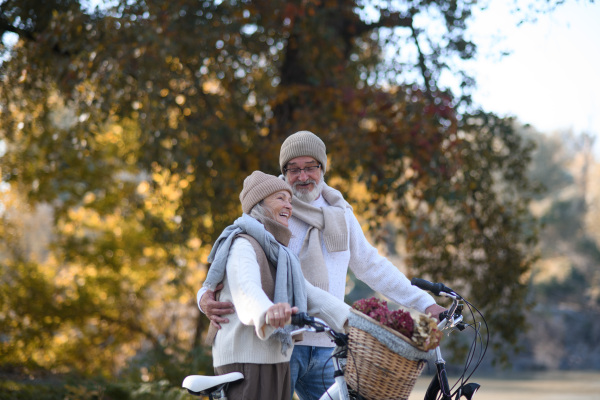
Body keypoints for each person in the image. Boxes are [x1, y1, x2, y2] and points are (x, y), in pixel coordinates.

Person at [199, 131, 446, 399]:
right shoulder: (268, 208)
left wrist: (424, 303)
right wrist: (204, 297)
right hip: (280, 344)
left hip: (329, 346)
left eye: (310, 167)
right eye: (293, 169)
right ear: (283, 172)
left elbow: (372, 266)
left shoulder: (341, 214)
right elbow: (235, 266)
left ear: (323, 168)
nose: (302, 177)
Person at [200, 170, 349, 400]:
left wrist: (355, 320)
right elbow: (246, 291)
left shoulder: (281, 254)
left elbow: (311, 294)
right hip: (247, 362)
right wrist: (268, 312)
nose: (289, 206)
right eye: (280, 198)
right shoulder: (243, 244)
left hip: (274, 359)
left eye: (290, 200)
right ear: (258, 205)